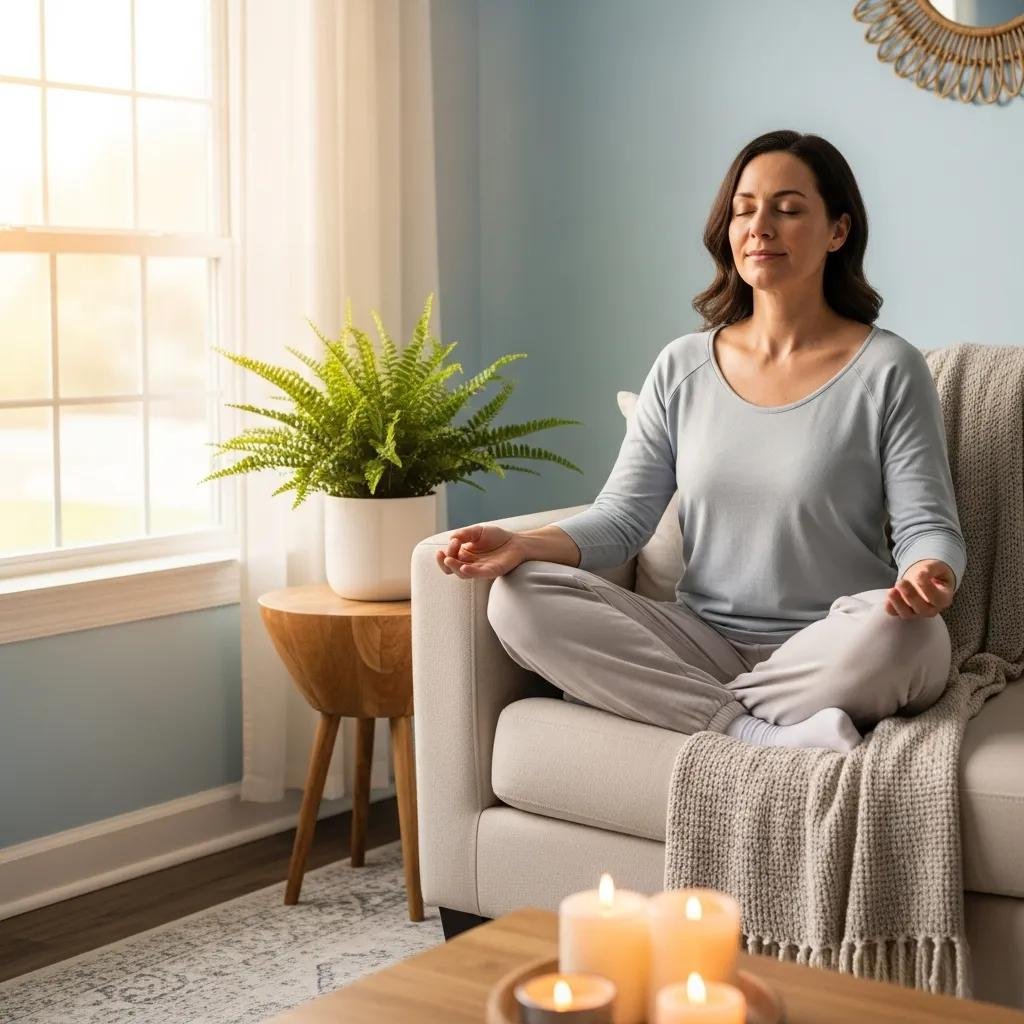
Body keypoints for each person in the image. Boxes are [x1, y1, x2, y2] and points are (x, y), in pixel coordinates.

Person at [434, 129, 964, 754]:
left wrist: (930, 571)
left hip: (833, 638)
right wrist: (523, 543)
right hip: (701, 638)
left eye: (789, 209)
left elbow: (928, 525)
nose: (760, 226)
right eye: (745, 209)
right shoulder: (682, 366)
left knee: (912, 639)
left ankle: (695, 709)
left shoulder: (888, 368)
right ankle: (754, 732)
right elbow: (624, 520)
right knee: (519, 598)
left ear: (838, 231)